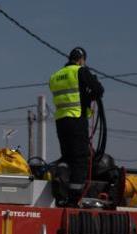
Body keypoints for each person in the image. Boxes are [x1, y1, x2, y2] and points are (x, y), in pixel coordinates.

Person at [49, 46, 104, 200]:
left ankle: (59, 182)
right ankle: (74, 198)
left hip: (61, 121)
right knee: (80, 158)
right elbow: (99, 90)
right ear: (81, 60)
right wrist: (89, 96)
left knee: (66, 157)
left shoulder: (55, 76)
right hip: (76, 119)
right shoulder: (80, 71)